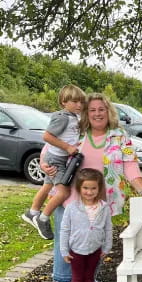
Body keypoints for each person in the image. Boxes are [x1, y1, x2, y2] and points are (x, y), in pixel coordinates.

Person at [40, 93, 142, 282]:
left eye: (101, 109)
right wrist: (44, 165)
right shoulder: (76, 132)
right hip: (70, 199)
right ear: (86, 113)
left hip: (101, 201)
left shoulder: (120, 135)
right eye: (92, 110)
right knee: (70, 243)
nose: (97, 114)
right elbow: (49, 149)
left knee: (95, 244)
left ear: (108, 111)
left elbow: (130, 165)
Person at [22, 84, 86, 240]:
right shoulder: (62, 117)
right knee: (64, 192)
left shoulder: (73, 117)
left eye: (81, 102)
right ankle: (43, 218)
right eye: (75, 102)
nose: (79, 105)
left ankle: (32, 212)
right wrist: (67, 147)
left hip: (55, 157)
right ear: (64, 102)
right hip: (56, 159)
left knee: (47, 186)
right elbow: (47, 137)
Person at [60, 168, 112, 282]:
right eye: (85, 188)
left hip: (95, 249)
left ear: (99, 188)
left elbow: (108, 228)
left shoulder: (104, 207)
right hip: (76, 250)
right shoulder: (72, 208)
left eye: (93, 188)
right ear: (79, 188)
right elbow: (64, 229)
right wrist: (64, 250)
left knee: (90, 276)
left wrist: (107, 247)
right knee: (77, 278)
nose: (89, 192)